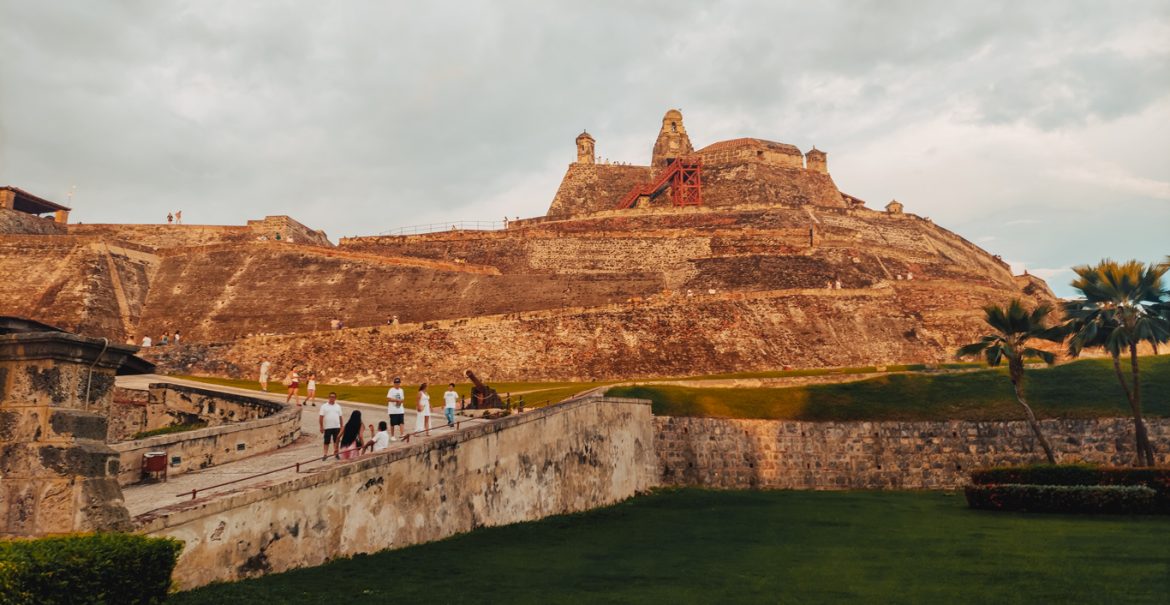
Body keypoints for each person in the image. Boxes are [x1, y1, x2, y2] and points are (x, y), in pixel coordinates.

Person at [319, 393, 343, 461]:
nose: (332, 398)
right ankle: (325, 454)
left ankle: (336, 453)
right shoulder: (324, 406)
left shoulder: (338, 406)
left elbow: (340, 417)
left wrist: (342, 426)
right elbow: (321, 417)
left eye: (333, 397)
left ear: (335, 398)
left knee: (336, 441)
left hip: (336, 426)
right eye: (331, 397)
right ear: (328, 397)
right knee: (326, 441)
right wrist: (321, 426)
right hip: (327, 427)